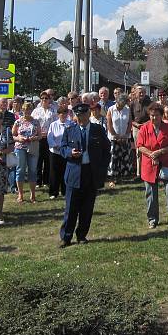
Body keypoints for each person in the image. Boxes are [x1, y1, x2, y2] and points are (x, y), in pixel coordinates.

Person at [59, 103, 110, 247]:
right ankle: (66, 237)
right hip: (74, 172)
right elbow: (62, 148)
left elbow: (107, 150)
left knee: (87, 207)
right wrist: (70, 153)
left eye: (83, 115)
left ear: (89, 114)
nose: (80, 118)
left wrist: (102, 169)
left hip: (91, 172)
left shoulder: (98, 130)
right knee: (71, 207)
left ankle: (82, 235)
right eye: (78, 116)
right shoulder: (70, 130)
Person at [136, 102, 168, 229]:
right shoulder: (144, 128)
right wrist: (152, 155)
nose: (153, 118)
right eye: (151, 115)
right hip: (149, 164)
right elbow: (140, 146)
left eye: (156, 115)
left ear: (161, 116)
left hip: (166, 162)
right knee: (151, 192)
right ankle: (152, 219)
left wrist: (159, 152)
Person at [12, 106, 41, 203]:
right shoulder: (18, 122)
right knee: (20, 170)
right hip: (20, 148)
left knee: (32, 170)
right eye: (24, 110)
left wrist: (34, 138)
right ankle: (20, 194)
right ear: (22, 110)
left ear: (31, 110)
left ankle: (32, 194)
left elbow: (40, 136)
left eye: (28, 110)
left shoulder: (36, 122)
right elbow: (13, 135)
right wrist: (18, 138)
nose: (26, 112)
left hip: (32, 147)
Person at [46, 99, 72, 200]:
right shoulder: (53, 124)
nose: (63, 115)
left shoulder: (70, 124)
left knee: (66, 171)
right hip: (55, 151)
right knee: (54, 172)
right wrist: (55, 145)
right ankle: (53, 192)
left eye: (65, 113)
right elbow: (50, 137)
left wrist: (66, 147)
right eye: (61, 113)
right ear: (58, 114)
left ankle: (65, 191)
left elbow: (72, 137)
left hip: (66, 152)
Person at [106, 93, 133, 186]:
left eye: (124, 104)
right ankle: (112, 178)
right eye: (121, 104)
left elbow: (129, 123)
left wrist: (125, 135)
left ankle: (122, 177)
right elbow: (109, 124)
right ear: (117, 101)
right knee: (113, 158)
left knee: (124, 157)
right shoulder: (111, 109)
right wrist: (116, 136)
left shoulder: (127, 109)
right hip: (114, 138)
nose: (122, 106)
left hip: (125, 138)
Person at [32, 92, 56, 190]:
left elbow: (55, 123)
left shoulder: (53, 111)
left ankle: (46, 180)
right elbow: (32, 123)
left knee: (47, 159)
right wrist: (37, 133)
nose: (44, 100)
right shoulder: (36, 111)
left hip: (49, 137)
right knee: (38, 159)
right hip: (38, 137)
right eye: (42, 98)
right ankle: (38, 181)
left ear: (49, 99)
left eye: (46, 98)